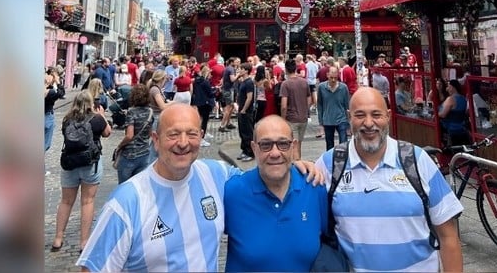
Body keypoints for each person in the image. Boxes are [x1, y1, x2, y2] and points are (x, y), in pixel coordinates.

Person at [77, 104, 322, 272]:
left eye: (191, 134)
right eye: (173, 134)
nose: (183, 143)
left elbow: (264, 174)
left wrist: (294, 164)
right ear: (155, 139)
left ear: (201, 137)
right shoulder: (127, 201)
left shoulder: (215, 174)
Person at [314, 88, 464, 272]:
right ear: (349, 117)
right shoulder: (329, 164)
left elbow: (448, 236)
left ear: (388, 116)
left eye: (376, 114)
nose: (368, 123)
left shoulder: (418, 160)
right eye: (360, 115)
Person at [224, 116, 328, 272]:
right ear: (254, 148)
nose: (275, 153)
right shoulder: (232, 192)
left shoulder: (314, 187)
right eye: (266, 145)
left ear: (293, 147)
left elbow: (329, 240)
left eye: (283, 144)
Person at [51, 91, 112, 252]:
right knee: (87, 201)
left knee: (65, 201)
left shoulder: (67, 119)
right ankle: (84, 242)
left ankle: (58, 238)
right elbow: (107, 133)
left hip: (70, 163)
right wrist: (102, 115)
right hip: (89, 163)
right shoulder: (96, 119)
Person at [112, 83, 153, 183]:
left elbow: (129, 135)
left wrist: (119, 146)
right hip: (144, 153)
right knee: (139, 186)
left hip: (130, 154)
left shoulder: (131, 112)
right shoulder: (150, 111)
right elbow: (150, 133)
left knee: (124, 186)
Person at [279, 58, 312, 161]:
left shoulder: (285, 84)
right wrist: (305, 110)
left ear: (286, 70)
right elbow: (310, 99)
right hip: (303, 117)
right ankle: (299, 162)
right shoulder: (304, 82)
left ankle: (296, 166)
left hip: (291, 118)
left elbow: (284, 105)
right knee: (299, 144)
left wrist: (282, 119)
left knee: (294, 144)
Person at [316, 64, 350, 151]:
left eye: (335, 77)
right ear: (327, 75)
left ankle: (344, 160)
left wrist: (349, 123)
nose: (333, 80)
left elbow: (347, 105)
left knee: (343, 143)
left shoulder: (343, 88)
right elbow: (320, 105)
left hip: (341, 119)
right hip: (328, 120)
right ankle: (330, 161)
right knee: (329, 144)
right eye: (331, 77)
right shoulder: (321, 87)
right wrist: (321, 122)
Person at [439, 79, 473, 146]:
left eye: (448, 86)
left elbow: (442, 114)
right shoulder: (463, 99)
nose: (447, 89)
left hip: (451, 130)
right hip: (462, 129)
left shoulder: (450, 99)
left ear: (452, 87)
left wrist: (436, 113)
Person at [235, 62, 256, 162]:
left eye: (242, 69)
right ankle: (244, 150)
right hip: (241, 109)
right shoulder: (243, 81)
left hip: (246, 111)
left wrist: (244, 109)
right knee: (242, 131)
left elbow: (250, 97)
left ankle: (250, 152)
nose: (240, 70)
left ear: (246, 70)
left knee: (248, 132)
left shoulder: (249, 82)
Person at [191, 64, 215, 148]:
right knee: (204, 121)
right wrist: (216, 90)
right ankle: (202, 138)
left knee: (201, 120)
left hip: (199, 102)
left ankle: (202, 135)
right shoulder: (205, 82)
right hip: (206, 102)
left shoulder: (197, 81)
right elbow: (210, 93)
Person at [219, 57, 241, 132]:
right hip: (228, 90)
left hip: (228, 89)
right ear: (232, 62)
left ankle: (228, 123)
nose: (238, 63)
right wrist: (238, 74)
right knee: (228, 108)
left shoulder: (227, 68)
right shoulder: (231, 69)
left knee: (231, 107)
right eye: (236, 61)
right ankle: (222, 126)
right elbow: (232, 79)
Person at [45, 68, 63, 153]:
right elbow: (61, 93)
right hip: (46, 116)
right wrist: (58, 82)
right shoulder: (50, 93)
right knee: (45, 145)